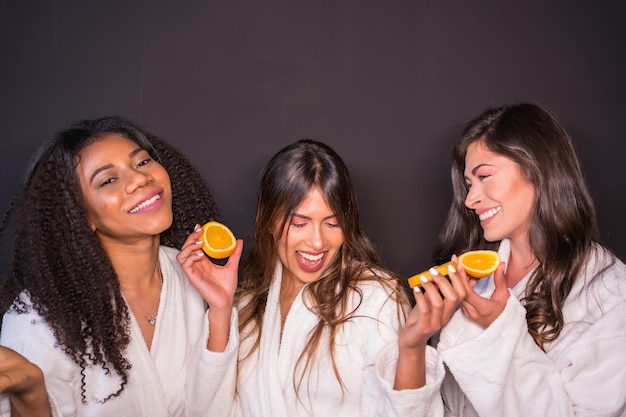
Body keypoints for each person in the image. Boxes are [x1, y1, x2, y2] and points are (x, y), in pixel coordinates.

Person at [177, 139, 466, 417]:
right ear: (270, 220)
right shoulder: (248, 301)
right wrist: (220, 310)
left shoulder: (375, 297)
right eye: (299, 223)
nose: (317, 242)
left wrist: (412, 348)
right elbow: (207, 411)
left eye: (332, 223)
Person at [0, 116, 243, 416]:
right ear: (80, 215)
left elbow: (210, 412)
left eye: (142, 163)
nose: (141, 179)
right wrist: (31, 394)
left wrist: (219, 311)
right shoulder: (41, 317)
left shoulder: (188, 276)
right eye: (108, 180)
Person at [431, 102, 626, 416]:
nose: (470, 199)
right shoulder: (474, 271)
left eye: (484, 177)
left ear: (537, 170)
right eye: (469, 185)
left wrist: (498, 327)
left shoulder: (609, 292)